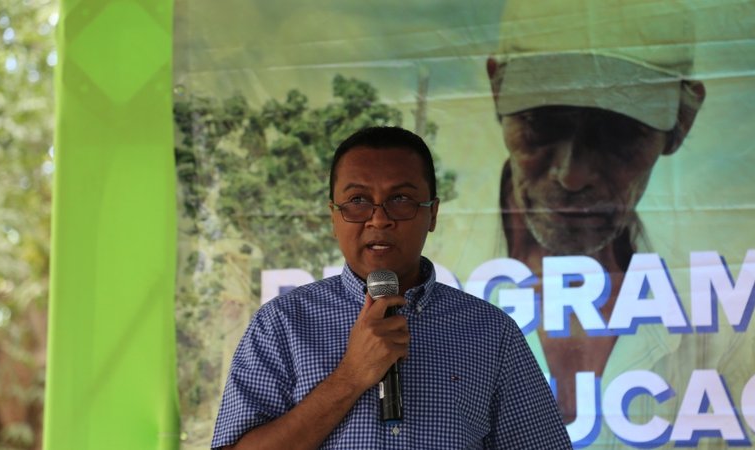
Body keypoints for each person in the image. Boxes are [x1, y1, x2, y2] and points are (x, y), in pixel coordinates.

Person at [211, 126, 571, 449]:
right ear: (333, 216)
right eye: (357, 201)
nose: (379, 218)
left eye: (401, 199)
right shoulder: (282, 324)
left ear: (432, 214)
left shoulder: (490, 332)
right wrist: (350, 377)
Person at [486, 0, 707, 427]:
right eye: (543, 123)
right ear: (497, 91)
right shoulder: (420, 292)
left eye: (619, 132)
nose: (572, 175)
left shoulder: (722, 321)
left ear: (682, 120)